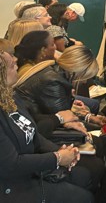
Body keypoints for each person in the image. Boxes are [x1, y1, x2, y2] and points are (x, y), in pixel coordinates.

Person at [0, 46, 97, 202]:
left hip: (28, 169)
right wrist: (57, 158)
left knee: (84, 176)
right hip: (10, 186)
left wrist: (62, 151)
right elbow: (11, 165)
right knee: (85, 197)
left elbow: (33, 133)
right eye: (12, 65)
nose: (17, 61)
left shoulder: (11, 96)